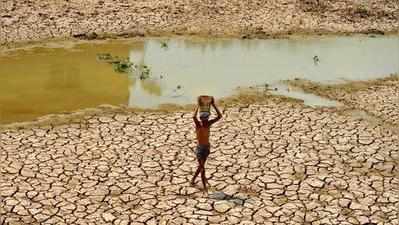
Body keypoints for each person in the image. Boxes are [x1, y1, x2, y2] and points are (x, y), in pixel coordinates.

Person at [191, 98, 222, 192]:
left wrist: (213, 105)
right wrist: (198, 105)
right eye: (204, 118)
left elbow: (220, 116)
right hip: (200, 148)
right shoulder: (198, 124)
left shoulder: (208, 124)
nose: (205, 120)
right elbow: (193, 117)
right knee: (202, 168)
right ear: (201, 118)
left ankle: (192, 180)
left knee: (201, 166)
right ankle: (204, 187)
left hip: (207, 147)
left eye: (206, 118)